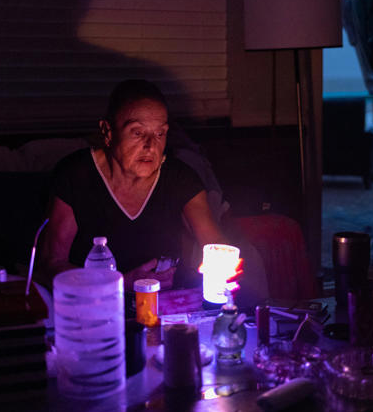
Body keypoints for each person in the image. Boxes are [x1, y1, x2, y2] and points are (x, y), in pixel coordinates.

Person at [37, 79, 245, 296]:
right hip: (92, 306)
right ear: (108, 132)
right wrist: (119, 284)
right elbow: (50, 264)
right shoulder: (75, 174)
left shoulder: (180, 178)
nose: (150, 146)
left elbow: (214, 241)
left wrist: (226, 263)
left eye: (159, 134)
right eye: (137, 133)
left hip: (164, 305)